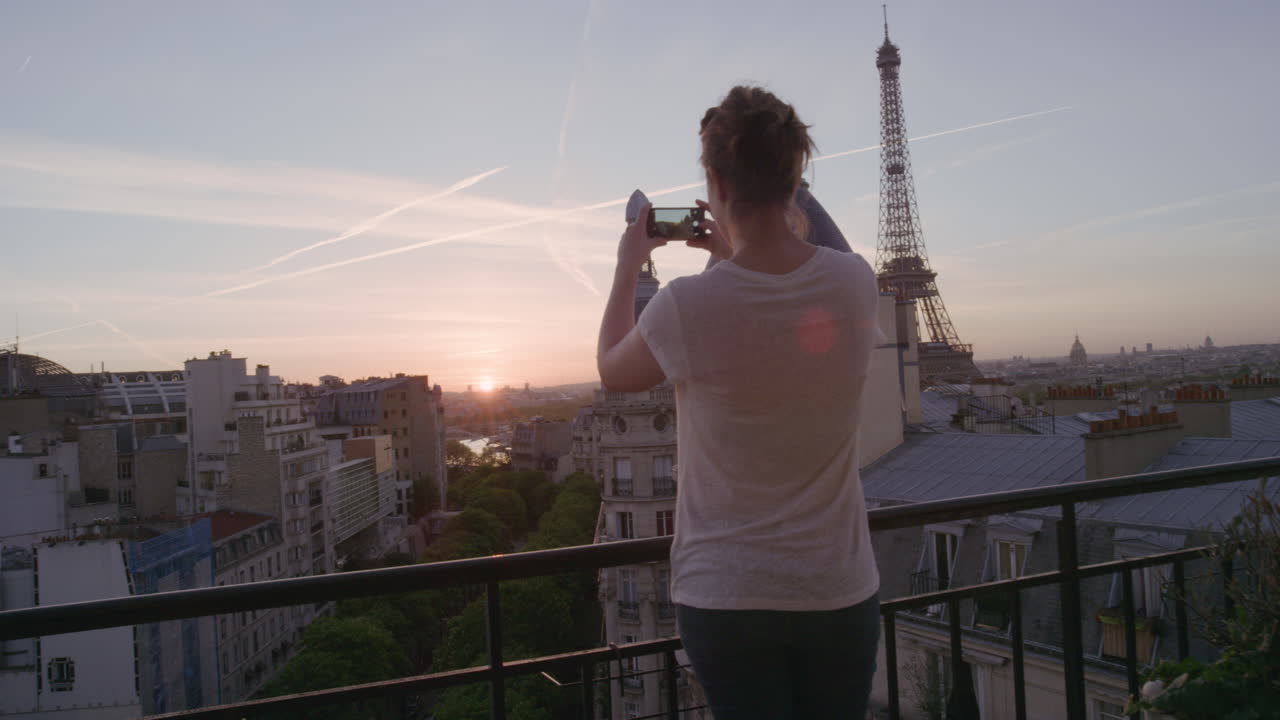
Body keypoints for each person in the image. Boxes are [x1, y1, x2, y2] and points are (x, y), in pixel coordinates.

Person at [597, 85, 881, 719]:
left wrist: (628, 261)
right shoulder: (854, 284)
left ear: (715, 181)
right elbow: (784, 286)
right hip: (836, 586)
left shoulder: (687, 306)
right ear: (795, 175)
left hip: (727, 594)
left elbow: (612, 367)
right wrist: (731, 247)